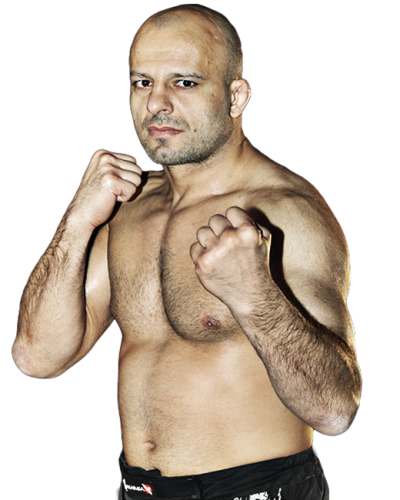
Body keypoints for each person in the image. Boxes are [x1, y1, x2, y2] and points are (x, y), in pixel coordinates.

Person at [13, 4, 361, 499]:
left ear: (236, 97)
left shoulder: (282, 213)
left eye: (185, 83)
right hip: (139, 489)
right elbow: (37, 356)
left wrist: (254, 296)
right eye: (142, 82)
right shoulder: (129, 208)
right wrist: (77, 219)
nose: (157, 103)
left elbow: (335, 410)